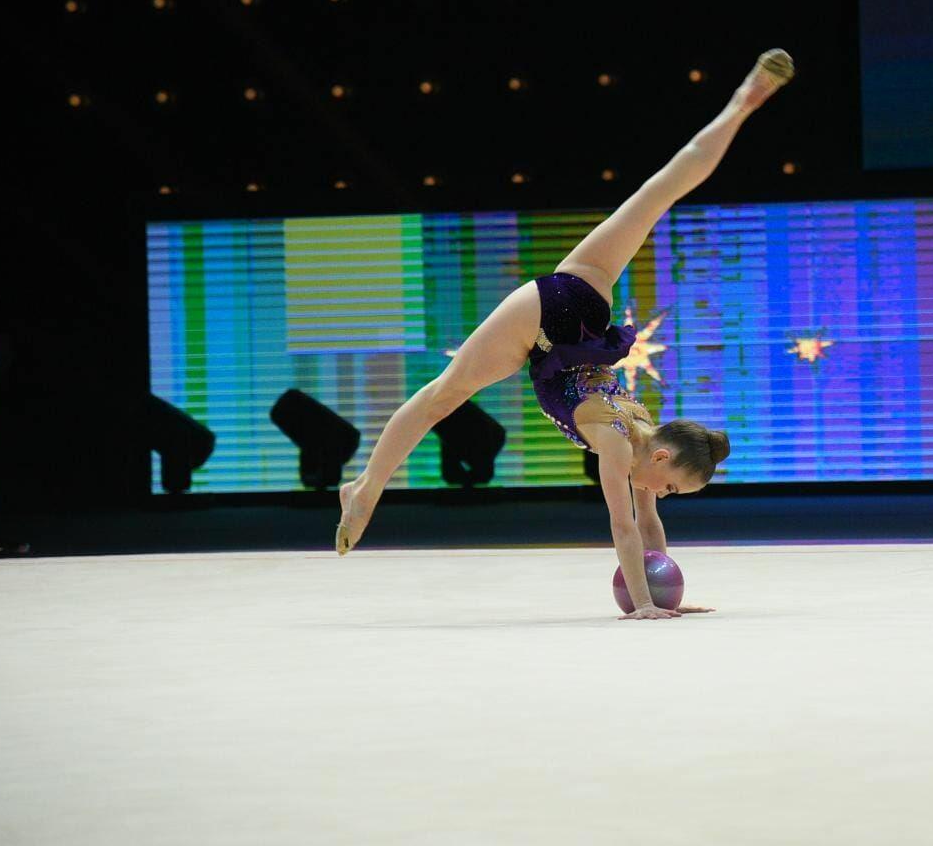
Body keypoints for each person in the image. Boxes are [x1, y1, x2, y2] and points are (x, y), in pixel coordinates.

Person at [337, 49, 795, 620]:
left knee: (659, 192)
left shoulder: (644, 441)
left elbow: (649, 526)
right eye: (673, 487)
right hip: (547, 324)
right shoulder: (618, 446)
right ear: (662, 456)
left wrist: (668, 595)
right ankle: (365, 489)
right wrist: (641, 607)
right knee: (442, 396)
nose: (664, 495)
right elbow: (624, 527)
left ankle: (744, 102)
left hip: (581, 300)